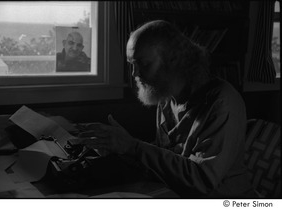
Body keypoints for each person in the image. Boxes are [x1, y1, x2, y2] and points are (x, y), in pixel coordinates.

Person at [74, 20, 256, 198]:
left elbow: (202, 180)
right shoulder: (166, 97)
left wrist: (132, 146)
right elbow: (167, 156)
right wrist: (118, 149)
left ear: (174, 60)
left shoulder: (222, 102)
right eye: (132, 64)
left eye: (143, 64)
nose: (134, 74)